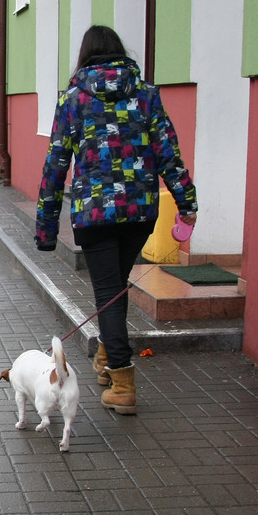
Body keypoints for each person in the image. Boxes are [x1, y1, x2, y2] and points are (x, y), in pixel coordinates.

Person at [35, 25, 198, 415]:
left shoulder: (73, 100)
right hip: (140, 212)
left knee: (108, 292)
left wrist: (45, 226)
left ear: (85, 56)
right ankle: (109, 356)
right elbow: (168, 154)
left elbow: (56, 164)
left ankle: (122, 382)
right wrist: (186, 203)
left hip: (94, 215)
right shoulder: (146, 95)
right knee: (114, 288)